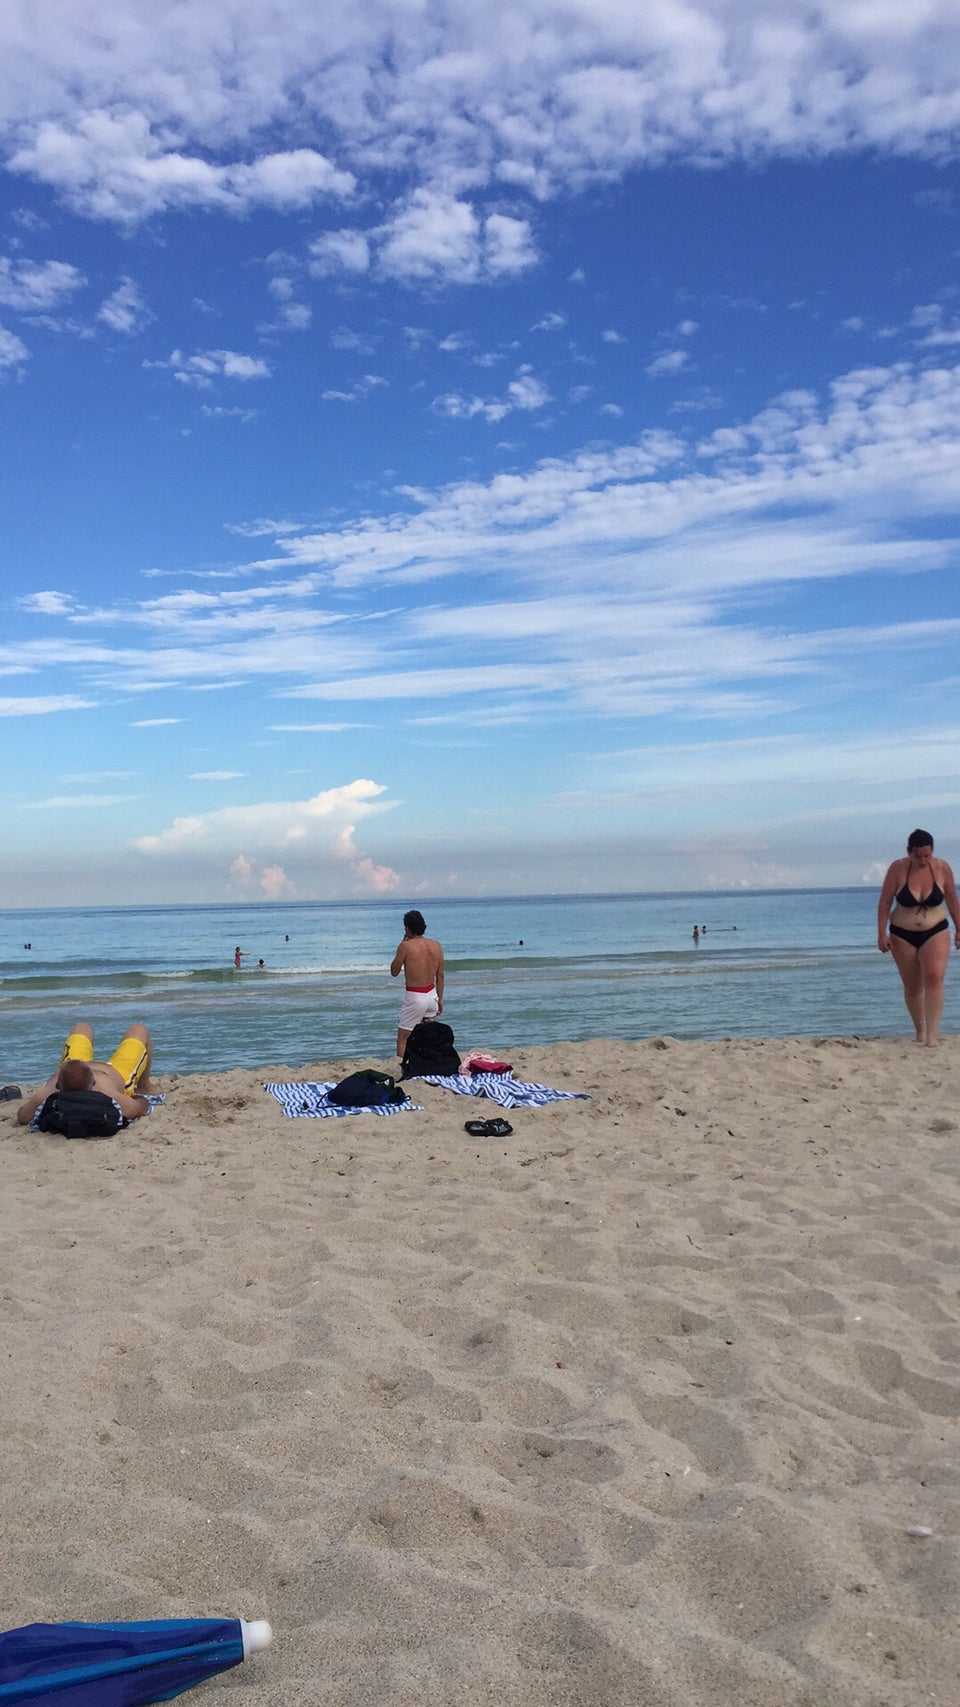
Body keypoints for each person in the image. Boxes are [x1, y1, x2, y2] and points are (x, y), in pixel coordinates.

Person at [877, 828, 960, 1046]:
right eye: (918, 856)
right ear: (909, 852)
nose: (923, 861)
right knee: (913, 985)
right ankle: (920, 1030)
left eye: (927, 856)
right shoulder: (897, 869)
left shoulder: (942, 868)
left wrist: (959, 928)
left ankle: (932, 1035)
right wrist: (881, 933)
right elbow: (885, 902)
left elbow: (952, 900)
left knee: (934, 977)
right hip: (902, 933)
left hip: (936, 930)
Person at [17, 1021, 154, 1126]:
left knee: (81, 1027)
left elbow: (22, 1116)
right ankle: (144, 1085)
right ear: (93, 1083)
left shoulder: (46, 1095)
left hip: (73, 1067)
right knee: (139, 1029)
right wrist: (140, 1099)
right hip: (119, 1072)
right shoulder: (109, 1096)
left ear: (58, 1084)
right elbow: (140, 1107)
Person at [390, 909, 444, 1058]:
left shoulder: (406, 946)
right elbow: (440, 976)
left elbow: (394, 971)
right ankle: (426, 1064)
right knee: (426, 1036)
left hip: (415, 996)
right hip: (432, 995)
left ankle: (401, 1068)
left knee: (403, 1039)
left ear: (407, 928)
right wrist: (440, 999)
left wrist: (401, 945)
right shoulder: (436, 945)